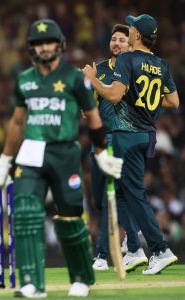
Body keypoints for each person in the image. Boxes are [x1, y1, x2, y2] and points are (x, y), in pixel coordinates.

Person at [0, 19, 123, 298]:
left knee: (71, 218)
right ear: (32, 48)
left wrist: (100, 154)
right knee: (25, 214)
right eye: (39, 43)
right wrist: (4, 158)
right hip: (31, 152)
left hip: (64, 153)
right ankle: (31, 283)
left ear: (59, 44)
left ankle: (82, 278)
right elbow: (16, 123)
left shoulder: (76, 79)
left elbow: (94, 118)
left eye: (49, 42)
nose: (44, 47)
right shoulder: (25, 79)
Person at [83, 14, 180, 275]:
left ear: (136, 36)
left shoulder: (127, 59)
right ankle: (135, 250)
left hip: (126, 134)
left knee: (134, 194)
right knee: (125, 194)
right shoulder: (160, 65)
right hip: (146, 135)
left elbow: (114, 96)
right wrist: (144, 99)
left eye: (132, 29)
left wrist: (92, 79)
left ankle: (160, 249)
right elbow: (173, 102)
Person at [90, 24, 138, 271]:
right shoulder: (98, 69)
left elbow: (117, 97)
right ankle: (133, 231)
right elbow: (88, 105)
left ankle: (101, 255)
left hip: (121, 139)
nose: (117, 43)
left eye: (122, 40)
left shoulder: (133, 68)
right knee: (99, 200)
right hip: (98, 142)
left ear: (131, 45)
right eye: (114, 39)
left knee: (112, 198)